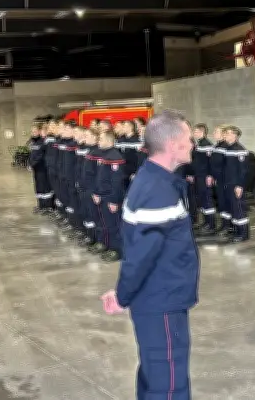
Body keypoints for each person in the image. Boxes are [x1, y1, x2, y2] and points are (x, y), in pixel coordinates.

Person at [101, 109, 197, 400]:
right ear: (173, 145)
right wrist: (122, 295)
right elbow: (141, 256)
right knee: (168, 384)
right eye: (189, 139)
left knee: (156, 375)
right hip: (161, 301)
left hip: (160, 297)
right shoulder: (157, 190)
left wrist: (124, 293)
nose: (193, 144)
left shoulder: (156, 180)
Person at [93, 130, 126, 262]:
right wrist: (97, 193)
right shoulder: (105, 155)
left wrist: (114, 201)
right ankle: (108, 245)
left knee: (114, 225)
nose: (98, 142)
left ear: (109, 140)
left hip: (111, 197)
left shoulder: (115, 156)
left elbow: (116, 182)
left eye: (100, 139)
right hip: (103, 195)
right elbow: (100, 178)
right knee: (105, 223)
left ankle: (117, 250)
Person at [222, 126, 250, 243]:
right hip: (229, 184)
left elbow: (243, 170)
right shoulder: (229, 149)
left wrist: (239, 185)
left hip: (236, 185)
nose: (226, 136)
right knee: (234, 209)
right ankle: (236, 231)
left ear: (235, 135)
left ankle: (243, 234)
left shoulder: (240, 149)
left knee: (239, 209)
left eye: (228, 133)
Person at [192, 123, 216, 235]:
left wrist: (210, 175)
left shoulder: (207, 144)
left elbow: (211, 162)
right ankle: (206, 222)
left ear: (202, 132)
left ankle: (211, 224)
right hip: (199, 175)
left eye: (196, 131)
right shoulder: (199, 144)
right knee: (202, 199)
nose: (194, 133)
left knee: (207, 199)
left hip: (205, 176)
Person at [79, 128, 102, 249]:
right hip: (85, 188)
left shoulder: (98, 153)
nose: (85, 138)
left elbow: (98, 175)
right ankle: (89, 236)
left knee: (94, 215)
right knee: (87, 212)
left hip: (92, 189)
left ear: (95, 138)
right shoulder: (89, 152)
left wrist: (95, 191)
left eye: (87, 135)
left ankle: (95, 239)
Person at [28, 124, 54, 214]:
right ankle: (41, 205)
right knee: (38, 187)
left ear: (39, 131)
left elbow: (41, 156)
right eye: (32, 131)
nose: (33, 133)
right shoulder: (32, 142)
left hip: (43, 168)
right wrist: (29, 163)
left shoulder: (43, 141)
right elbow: (31, 155)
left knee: (45, 188)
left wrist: (32, 164)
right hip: (36, 169)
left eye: (35, 131)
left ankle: (48, 207)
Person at [210, 125, 230, 234]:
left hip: (224, 179)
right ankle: (223, 224)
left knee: (225, 203)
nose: (214, 134)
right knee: (221, 203)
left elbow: (224, 164)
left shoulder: (225, 146)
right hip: (218, 179)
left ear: (223, 134)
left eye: (216, 132)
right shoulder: (217, 146)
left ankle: (228, 226)